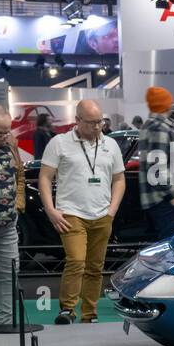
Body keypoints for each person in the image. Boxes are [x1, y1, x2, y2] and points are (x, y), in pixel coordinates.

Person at [38, 100, 126, 324]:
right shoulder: (59, 143)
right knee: (76, 261)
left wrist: (112, 210)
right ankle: (67, 309)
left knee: (95, 267)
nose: (97, 127)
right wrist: (50, 210)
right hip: (71, 213)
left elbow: (119, 179)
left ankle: (90, 314)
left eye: (100, 122)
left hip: (102, 215)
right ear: (77, 121)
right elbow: (45, 178)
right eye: (91, 123)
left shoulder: (110, 144)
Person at [137, 86, 174, 240]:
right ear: (166, 104)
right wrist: (172, 193)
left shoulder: (148, 125)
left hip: (155, 197)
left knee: (165, 244)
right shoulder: (160, 128)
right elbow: (157, 168)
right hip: (163, 198)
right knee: (171, 244)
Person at [0, 106, 26, 327]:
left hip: (7, 225)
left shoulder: (10, 143)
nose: (4, 137)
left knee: (10, 274)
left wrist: (19, 203)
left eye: (7, 131)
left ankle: (2, 324)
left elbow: (20, 174)